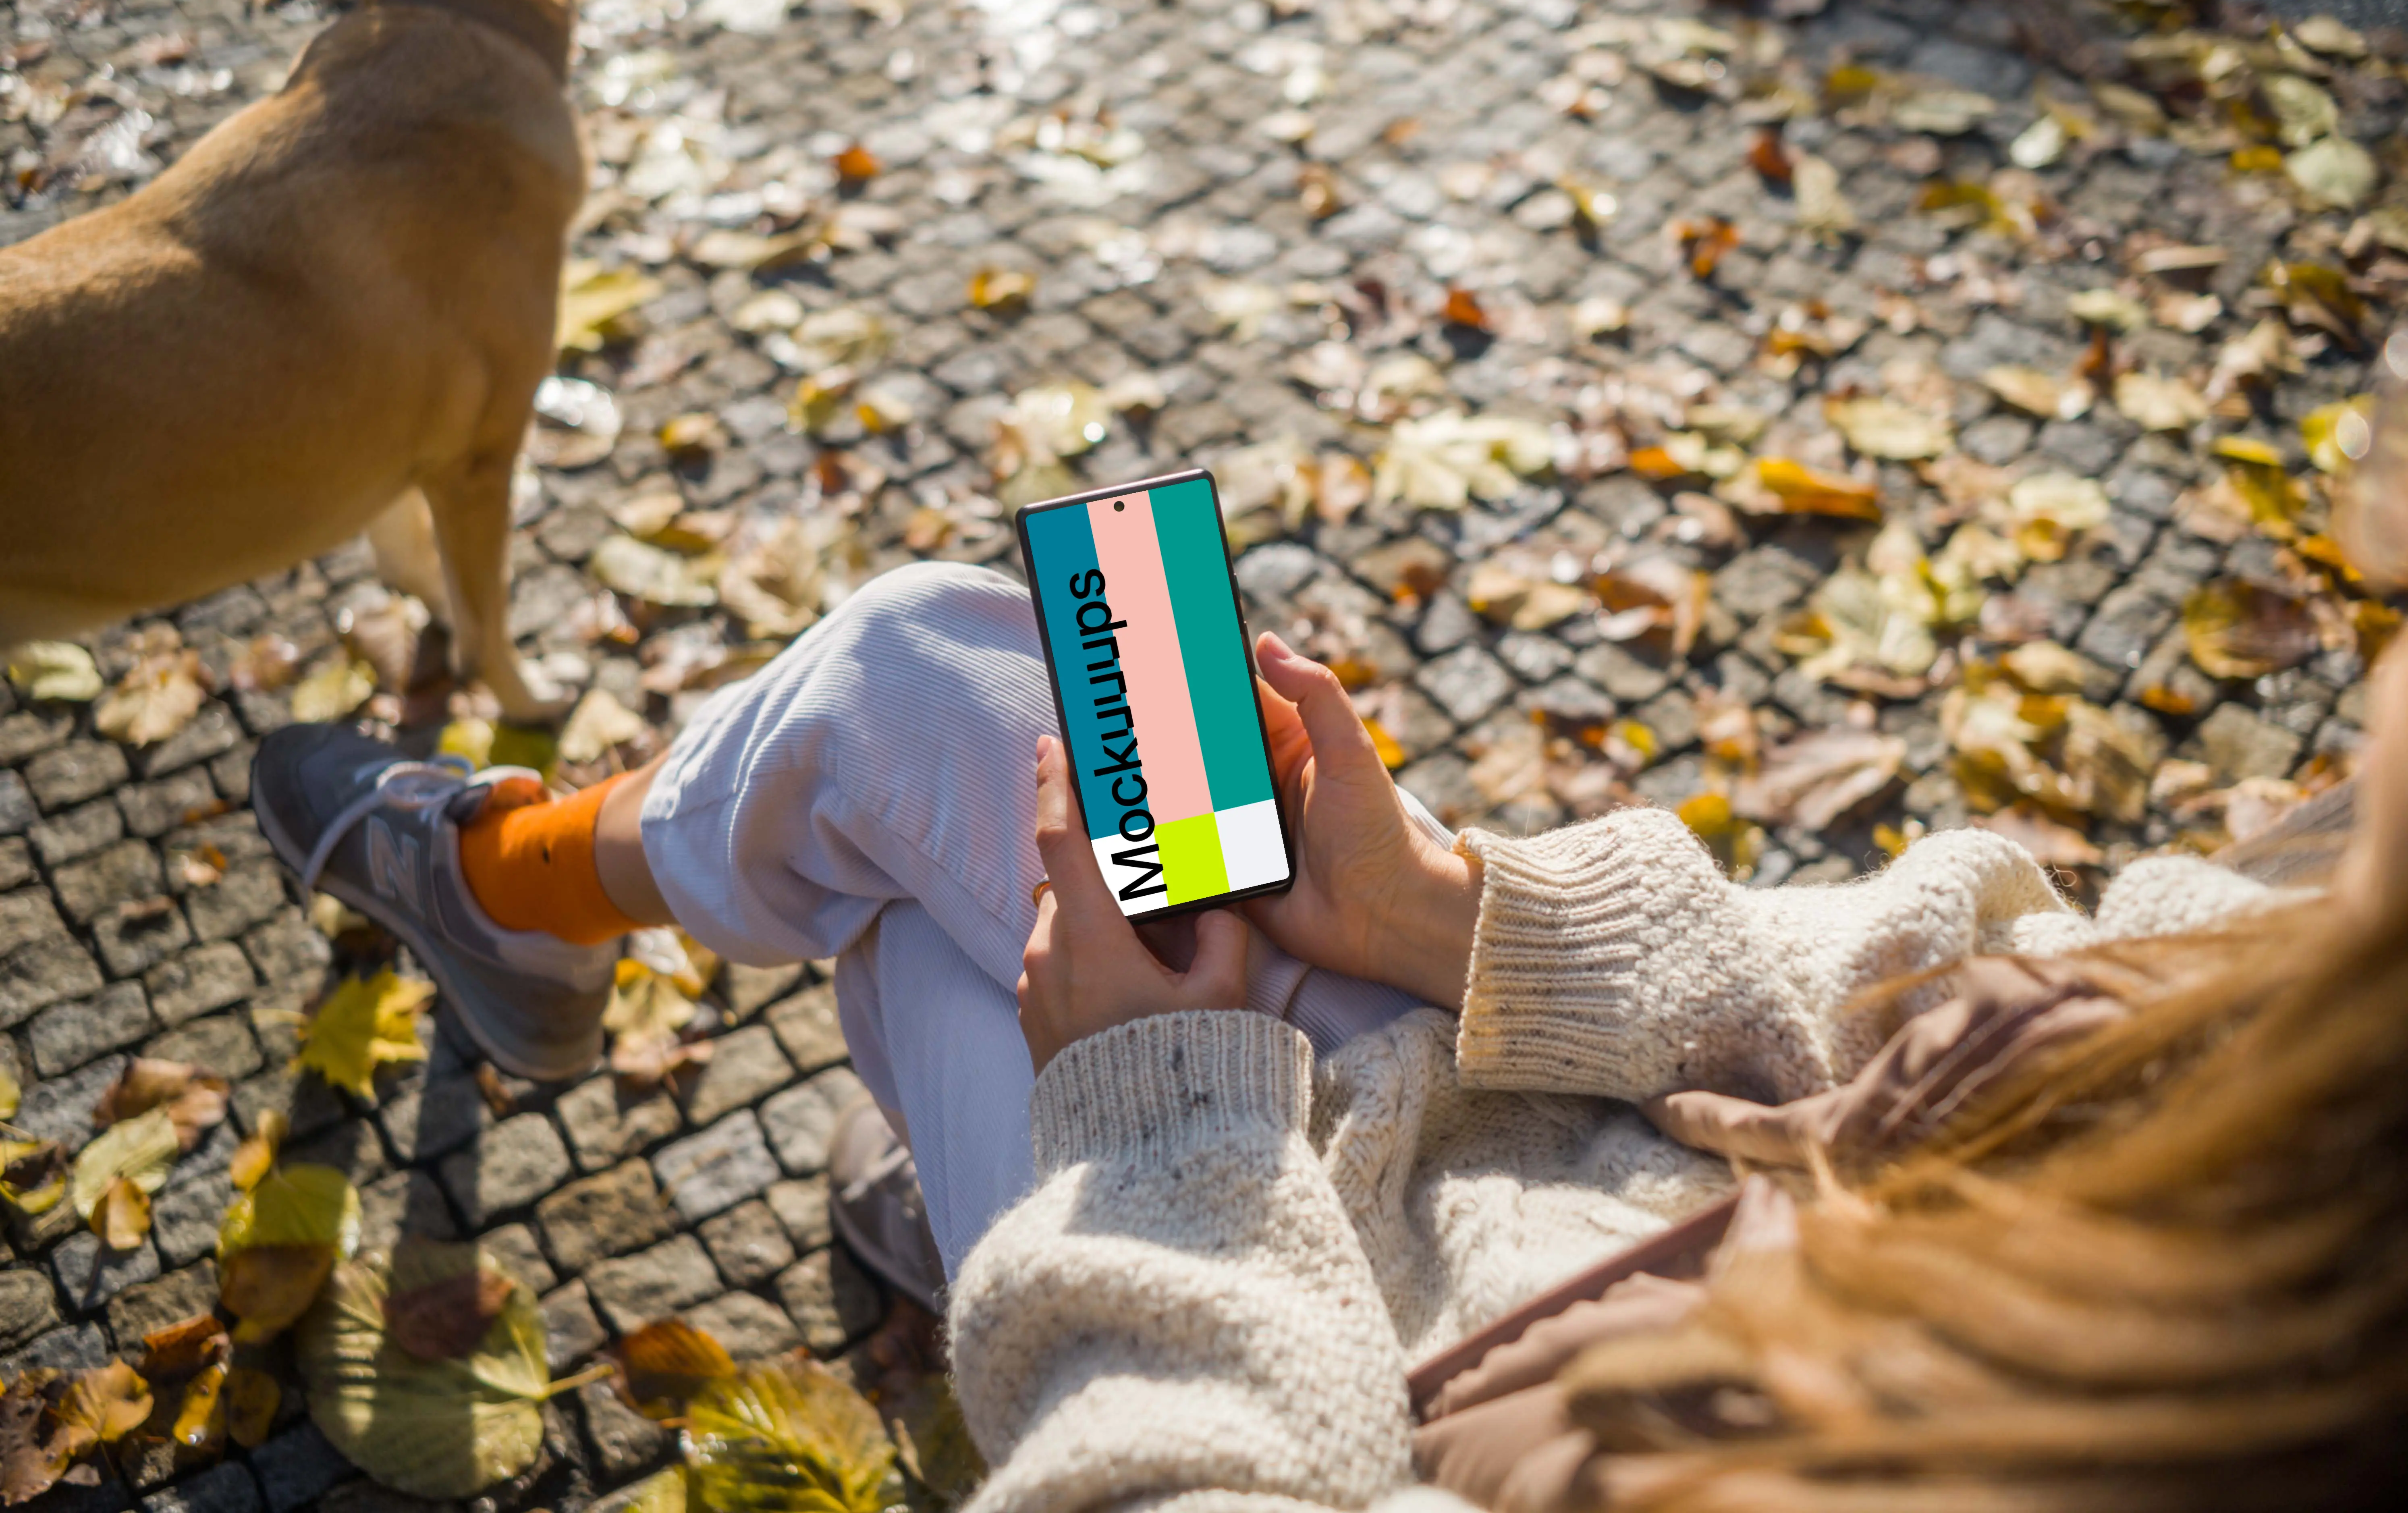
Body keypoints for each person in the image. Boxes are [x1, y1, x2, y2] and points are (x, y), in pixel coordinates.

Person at [252, 438, 2406, 1512]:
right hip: (1522, 1126)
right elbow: (1960, 951)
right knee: (939, 678)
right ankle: (533, 899)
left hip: (1343, 1341)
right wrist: (1460, 917)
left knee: (936, 910)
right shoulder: (2322, 999)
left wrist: (1160, 1129)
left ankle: (528, 909)